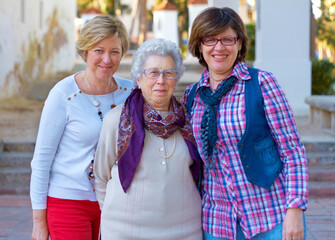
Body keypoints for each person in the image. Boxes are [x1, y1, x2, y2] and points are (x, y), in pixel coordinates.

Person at [182, 7, 308, 240]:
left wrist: (295, 209)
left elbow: (292, 150)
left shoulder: (261, 83)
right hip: (217, 223)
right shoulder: (191, 97)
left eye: (228, 39)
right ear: (199, 46)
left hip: (271, 217)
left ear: (239, 43)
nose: (219, 47)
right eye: (210, 39)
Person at [30, 15, 134, 240]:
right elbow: (41, 161)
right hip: (68, 202)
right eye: (99, 50)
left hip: (115, 203)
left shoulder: (131, 92)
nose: (107, 59)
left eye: (114, 51)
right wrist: (39, 222)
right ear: (85, 51)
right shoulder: (64, 93)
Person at [93, 38, 202, 240]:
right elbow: (101, 177)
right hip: (125, 232)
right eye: (152, 72)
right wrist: (115, 218)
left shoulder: (190, 120)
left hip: (185, 231)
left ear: (176, 78)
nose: (161, 80)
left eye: (168, 73)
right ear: (139, 79)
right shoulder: (116, 121)